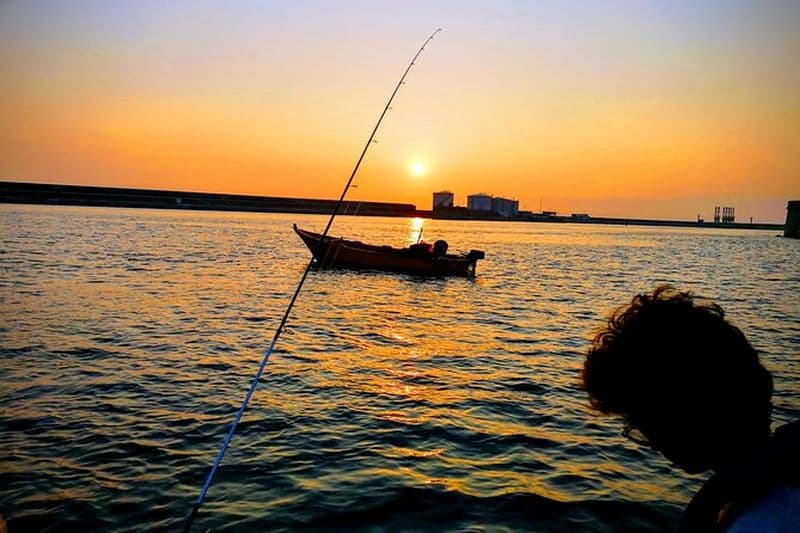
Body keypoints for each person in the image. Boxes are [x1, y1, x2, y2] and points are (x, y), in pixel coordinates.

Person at [582, 285, 799, 531]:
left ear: (678, 419)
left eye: (641, 421)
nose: (651, 442)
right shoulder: (775, 473)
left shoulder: (762, 522)